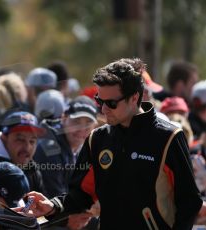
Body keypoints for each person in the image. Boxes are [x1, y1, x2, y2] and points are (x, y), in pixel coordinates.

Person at [26, 59, 202, 229]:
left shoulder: (169, 137)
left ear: (134, 98)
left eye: (111, 103)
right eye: (100, 101)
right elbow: (81, 195)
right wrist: (52, 206)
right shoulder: (97, 139)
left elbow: (190, 202)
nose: (103, 110)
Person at [34, 95, 98, 198]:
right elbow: (55, 200)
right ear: (63, 118)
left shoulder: (82, 147)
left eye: (88, 123)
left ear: (95, 126)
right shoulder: (49, 149)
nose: (81, 129)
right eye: (76, 122)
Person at [0, 111, 46, 193]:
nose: (27, 147)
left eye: (32, 141)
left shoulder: (32, 169)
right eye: (20, 139)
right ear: (4, 138)